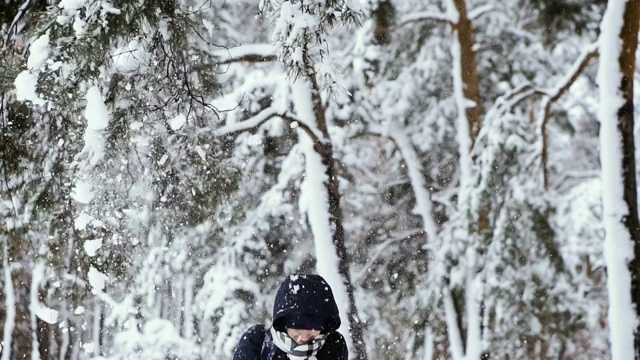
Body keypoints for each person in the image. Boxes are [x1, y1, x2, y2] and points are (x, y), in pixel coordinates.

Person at [233, 273, 349, 360]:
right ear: (284, 322)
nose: (304, 335)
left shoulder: (333, 346)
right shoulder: (257, 342)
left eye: (314, 326)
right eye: (298, 324)